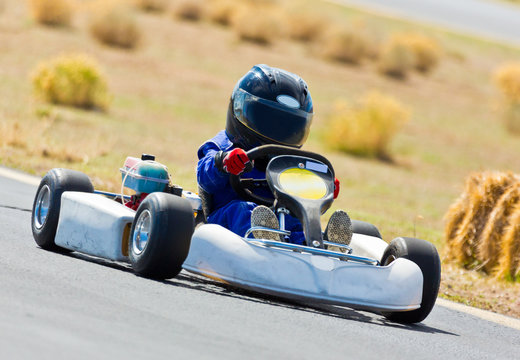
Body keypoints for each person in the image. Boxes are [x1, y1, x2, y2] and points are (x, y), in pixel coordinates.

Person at [196, 64, 351, 245]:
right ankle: (263, 238)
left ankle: (322, 246)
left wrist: (323, 187)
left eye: (287, 126)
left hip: (279, 218)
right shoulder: (224, 145)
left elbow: (302, 195)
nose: (277, 131)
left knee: (296, 224)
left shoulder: (288, 160)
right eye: (268, 121)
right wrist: (222, 163)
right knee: (244, 211)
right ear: (239, 109)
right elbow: (204, 175)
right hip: (223, 221)